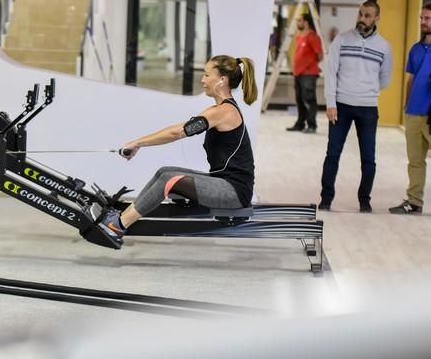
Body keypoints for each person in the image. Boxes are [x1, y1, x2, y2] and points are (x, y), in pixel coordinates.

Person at [92, 55, 257, 241]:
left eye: (206, 75)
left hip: (233, 191)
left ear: (222, 80)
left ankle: (117, 225)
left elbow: (175, 133)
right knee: (165, 172)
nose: (202, 80)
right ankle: (123, 215)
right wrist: (139, 142)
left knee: (170, 180)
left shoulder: (223, 112)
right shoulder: (219, 110)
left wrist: (137, 143)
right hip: (225, 182)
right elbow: (178, 128)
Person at [319, 1, 392, 213]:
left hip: (368, 108)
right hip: (341, 106)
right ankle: (326, 198)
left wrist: (365, 91)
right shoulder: (342, 40)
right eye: (361, 14)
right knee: (332, 154)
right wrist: (331, 103)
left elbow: (385, 80)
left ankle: (364, 200)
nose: (363, 18)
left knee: (368, 157)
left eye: (368, 15)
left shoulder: (384, 47)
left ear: (377, 18)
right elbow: (331, 73)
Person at [389, 3, 431, 215]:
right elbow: (411, 79)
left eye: (428, 18)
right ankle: (414, 202)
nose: (423, 22)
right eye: (422, 18)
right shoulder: (415, 49)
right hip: (414, 114)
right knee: (415, 161)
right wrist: (407, 106)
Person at [286, 13, 323, 134]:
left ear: (306, 22)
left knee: (309, 100)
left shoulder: (313, 37)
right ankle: (300, 124)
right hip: (298, 74)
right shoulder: (300, 36)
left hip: (308, 74)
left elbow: (320, 55)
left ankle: (312, 125)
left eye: (300, 21)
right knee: (300, 100)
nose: (298, 23)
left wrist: (308, 65)